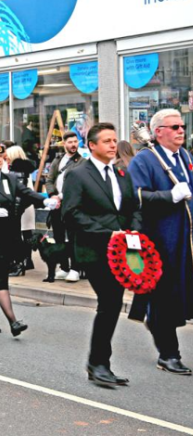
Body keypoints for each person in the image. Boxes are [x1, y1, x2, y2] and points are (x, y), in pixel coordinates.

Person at [61, 122, 142, 387]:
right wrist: (107, 233)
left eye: (114, 140)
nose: (112, 145)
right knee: (109, 303)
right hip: (94, 250)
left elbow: (132, 207)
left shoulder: (121, 173)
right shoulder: (78, 174)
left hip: (123, 249)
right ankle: (98, 364)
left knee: (112, 304)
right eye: (106, 141)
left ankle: (100, 363)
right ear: (92, 145)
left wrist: (133, 233)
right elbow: (71, 214)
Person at [127, 109, 193, 375]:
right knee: (164, 298)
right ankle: (168, 354)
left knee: (180, 295)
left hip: (184, 238)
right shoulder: (144, 160)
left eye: (182, 126)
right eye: (174, 126)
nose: (181, 130)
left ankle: (156, 325)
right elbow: (136, 197)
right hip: (159, 241)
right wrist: (169, 195)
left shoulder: (185, 156)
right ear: (158, 132)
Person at [0, 144, 57, 336]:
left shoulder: (10, 179)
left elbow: (26, 192)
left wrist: (44, 201)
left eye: (1, 157)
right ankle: (13, 321)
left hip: (6, 236)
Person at [45, 131, 84, 283]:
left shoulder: (82, 162)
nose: (73, 145)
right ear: (64, 144)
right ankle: (64, 267)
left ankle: (75, 268)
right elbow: (49, 180)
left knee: (74, 237)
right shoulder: (58, 160)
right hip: (57, 205)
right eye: (70, 142)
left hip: (72, 205)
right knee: (58, 236)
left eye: (75, 142)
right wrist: (53, 195)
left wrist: (63, 196)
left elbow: (79, 185)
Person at [5, 145, 38, 276]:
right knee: (26, 233)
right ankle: (27, 260)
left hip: (20, 205)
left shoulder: (18, 169)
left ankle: (20, 263)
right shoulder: (24, 169)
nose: (5, 158)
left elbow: (18, 190)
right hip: (25, 204)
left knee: (19, 235)